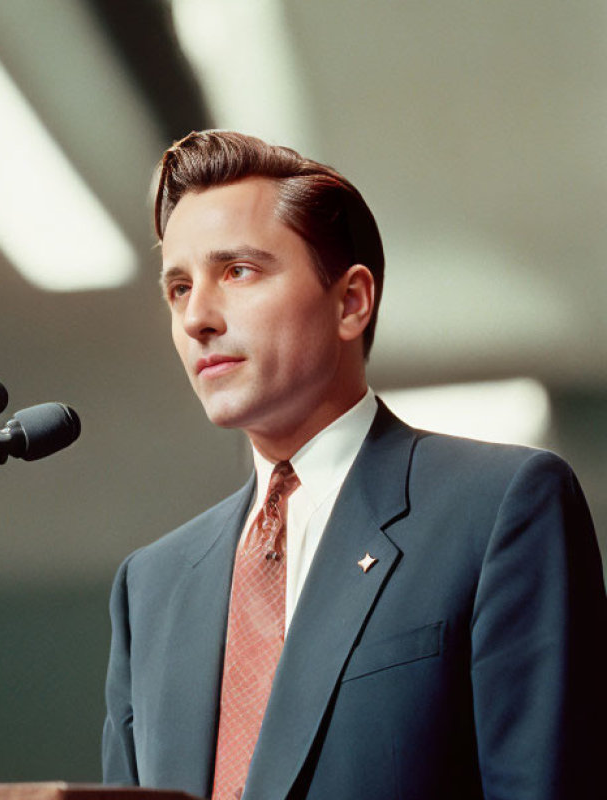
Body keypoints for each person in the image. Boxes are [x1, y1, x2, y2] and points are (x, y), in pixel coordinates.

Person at [101, 130, 607, 800]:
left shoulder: (500, 510)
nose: (197, 317)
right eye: (178, 287)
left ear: (350, 302)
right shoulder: (151, 586)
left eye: (238, 272)